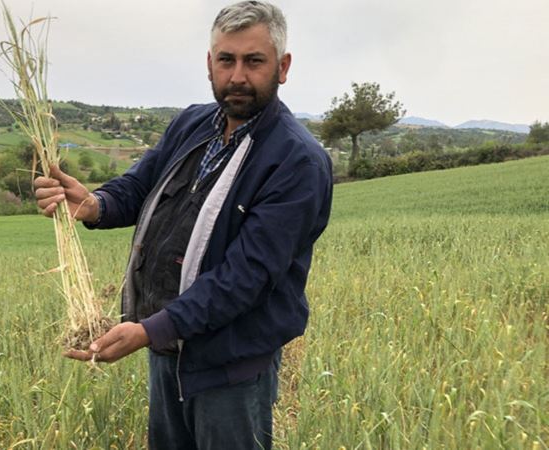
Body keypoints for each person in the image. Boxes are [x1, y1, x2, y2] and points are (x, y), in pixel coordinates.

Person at [34, 1, 332, 448]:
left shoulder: (297, 161)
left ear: (282, 67)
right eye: (226, 60)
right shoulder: (193, 124)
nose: (237, 77)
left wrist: (148, 329)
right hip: (168, 351)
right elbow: (140, 186)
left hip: (231, 368)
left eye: (254, 62)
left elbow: (244, 279)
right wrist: (95, 205)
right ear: (209, 64)